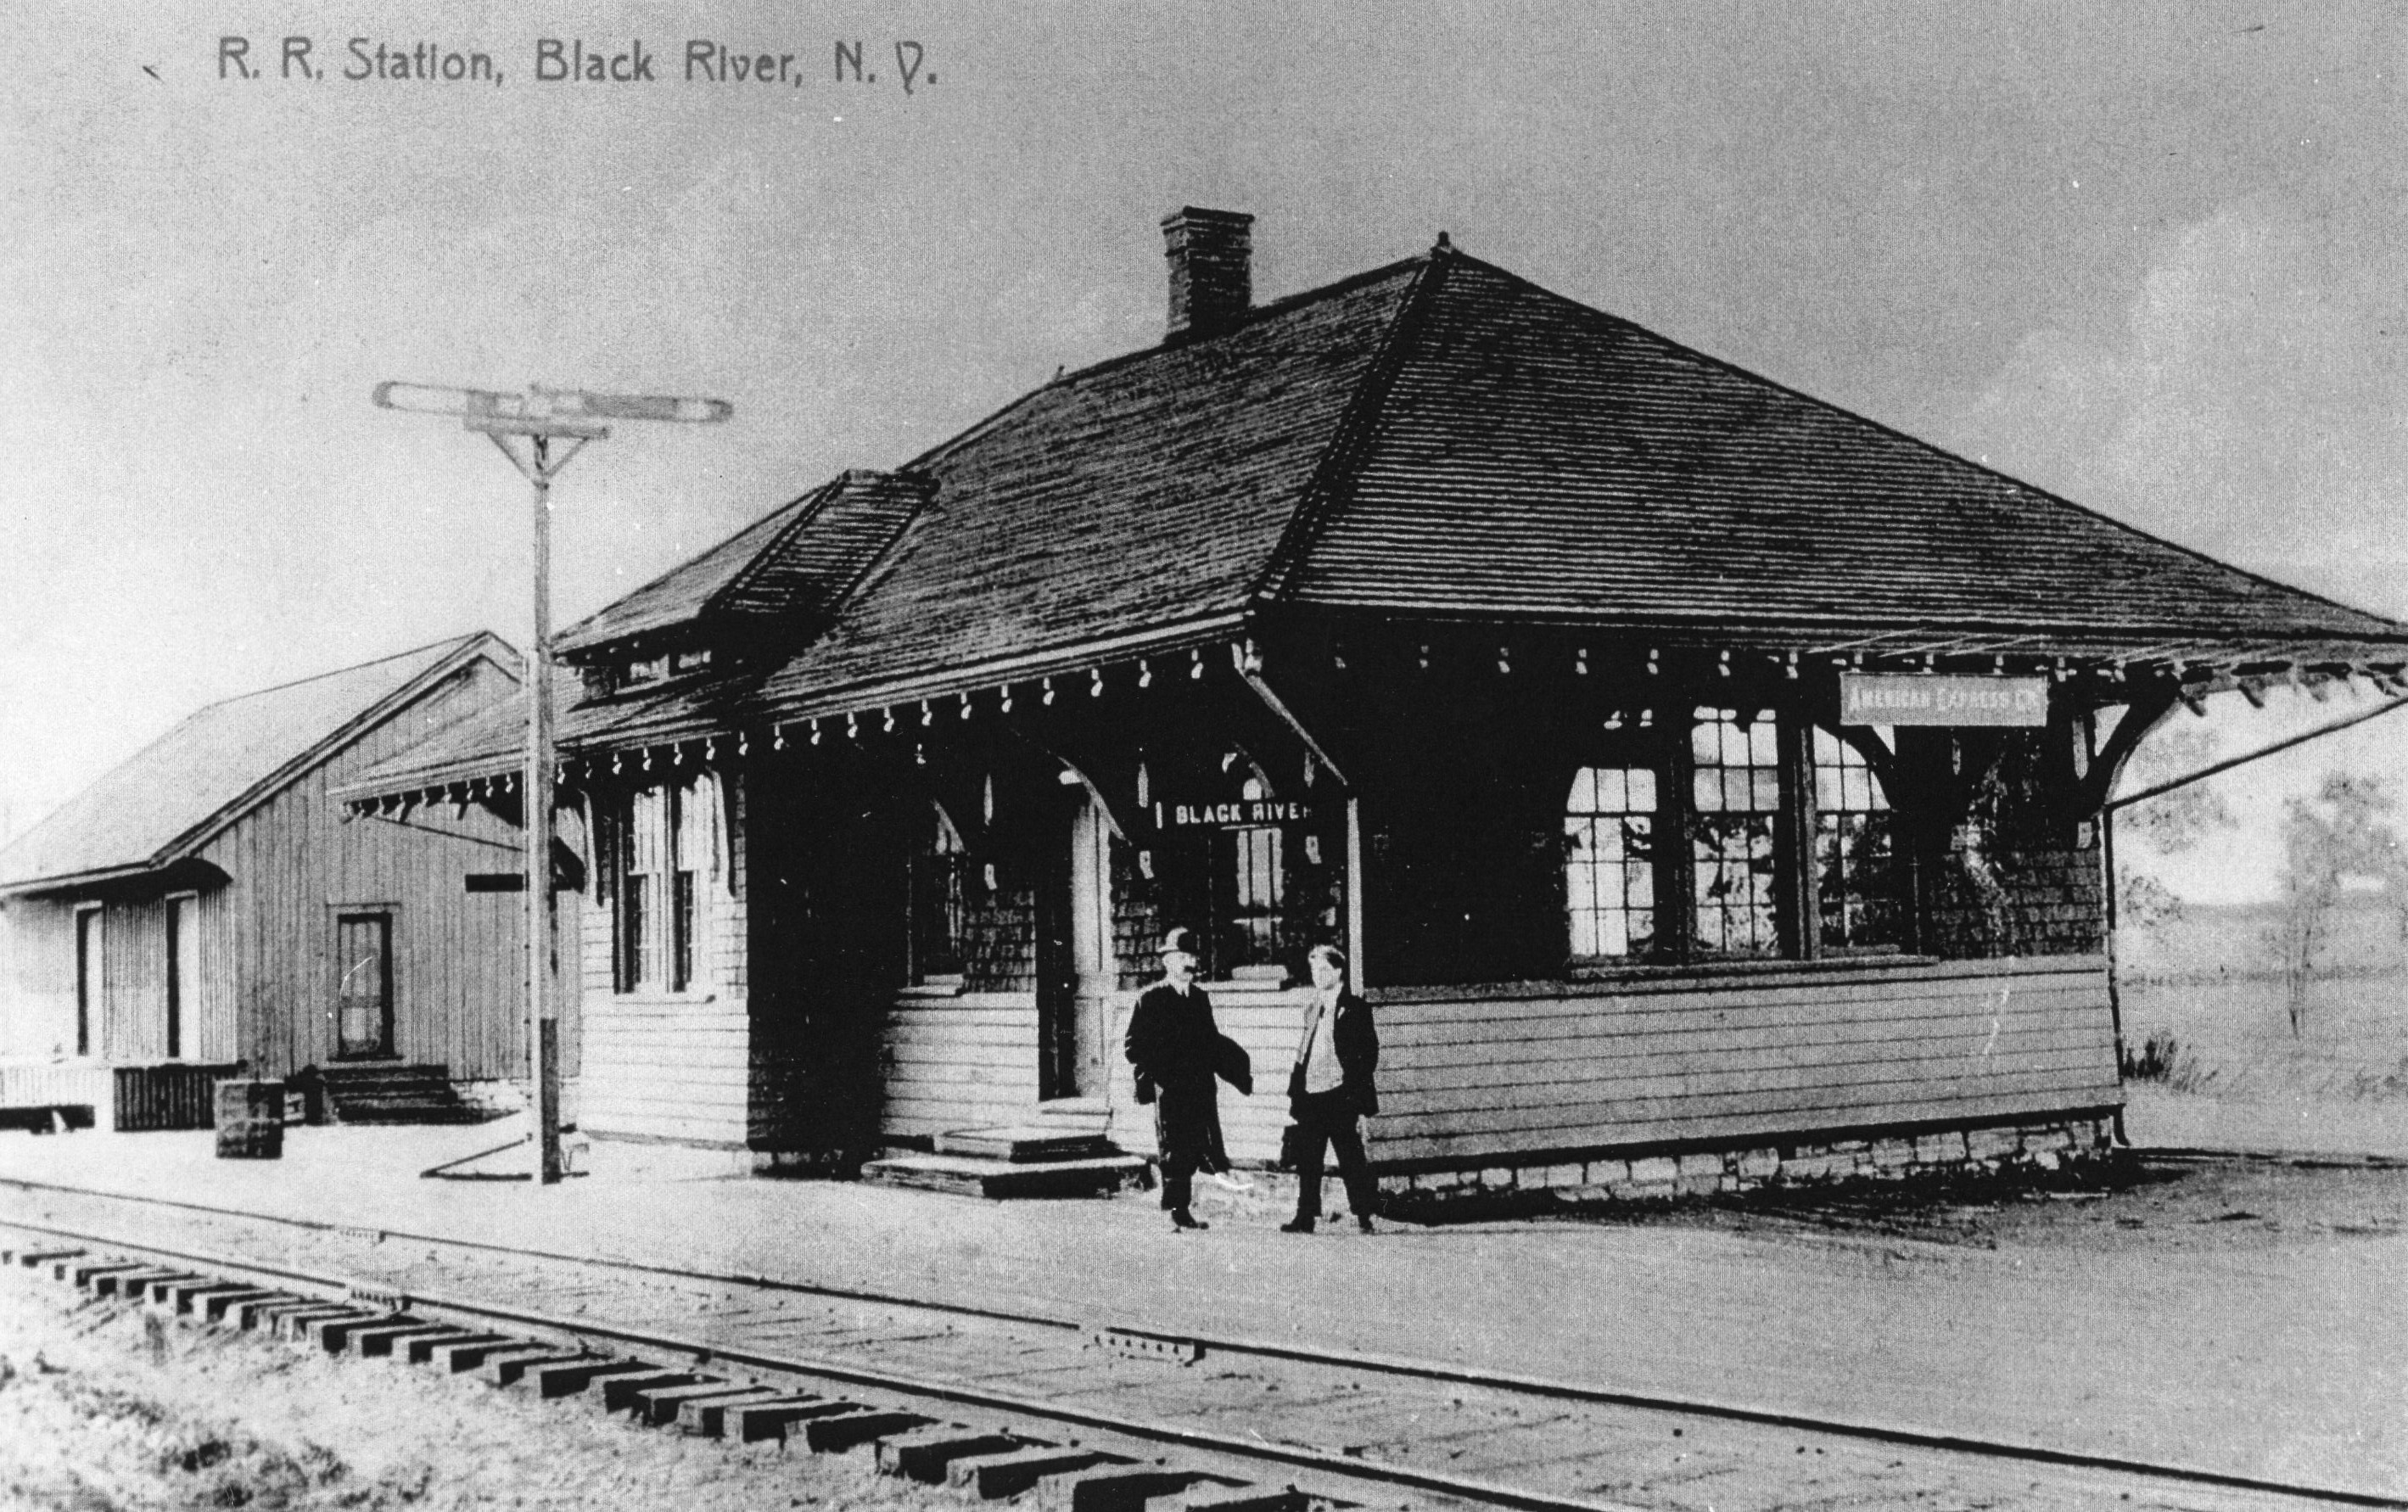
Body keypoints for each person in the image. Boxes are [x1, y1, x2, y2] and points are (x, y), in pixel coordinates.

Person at [1124, 927, 1227, 1231]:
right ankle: (1176, 1212)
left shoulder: (1199, 998)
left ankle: (1182, 1209)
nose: (1187, 963)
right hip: (1169, 1087)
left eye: (1191, 957)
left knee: (1197, 1145)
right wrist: (1162, 1070)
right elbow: (1133, 1046)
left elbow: (1209, 1040)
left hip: (1199, 1086)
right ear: (1167, 962)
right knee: (1173, 1148)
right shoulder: (1151, 999)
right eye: (1181, 957)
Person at [1281, 943, 1380, 1235]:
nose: (1318, 975)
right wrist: (1297, 1088)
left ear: (1338, 971)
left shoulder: (1355, 1008)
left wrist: (1352, 1087)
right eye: (1314, 970)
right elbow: (1304, 1051)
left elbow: (1369, 1052)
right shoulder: (1313, 1008)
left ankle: (1364, 1214)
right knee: (1308, 1159)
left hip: (1340, 1095)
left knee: (1349, 1156)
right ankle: (1305, 1217)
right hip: (1312, 1094)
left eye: (1324, 969)